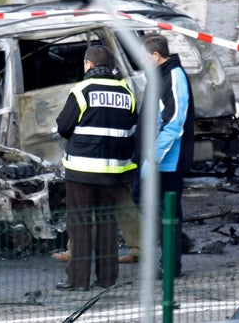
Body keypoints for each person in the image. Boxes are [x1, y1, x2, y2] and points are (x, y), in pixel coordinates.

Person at [55, 45, 138, 291]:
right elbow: (132, 129)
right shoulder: (126, 92)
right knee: (107, 224)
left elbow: (63, 126)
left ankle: (79, 281)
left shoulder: (82, 90)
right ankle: (107, 279)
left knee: (80, 224)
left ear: (88, 65)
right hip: (114, 172)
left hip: (81, 170)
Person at [140, 32, 194, 278]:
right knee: (156, 207)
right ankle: (173, 249)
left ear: (155, 55)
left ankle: (171, 263)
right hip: (160, 159)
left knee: (167, 211)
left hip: (167, 162)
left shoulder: (173, 77)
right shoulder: (161, 75)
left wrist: (153, 157)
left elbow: (174, 122)